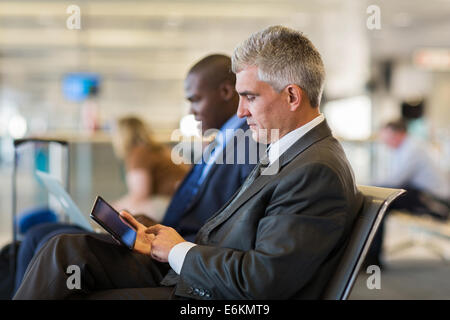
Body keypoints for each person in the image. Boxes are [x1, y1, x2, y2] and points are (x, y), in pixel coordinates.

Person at [14, 26, 363, 300]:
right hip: (203, 273)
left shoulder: (314, 169)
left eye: (250, 97)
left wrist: (179, 250)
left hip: (215, 292)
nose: (241, 112)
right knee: (66, 250)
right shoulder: (290, 152)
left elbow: (262, 281)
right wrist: (166, 242)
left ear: (291, 96)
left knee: (72, 271)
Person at [12, 54, 257, 297]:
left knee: (61, 248)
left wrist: (173, 243)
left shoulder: (248, 142)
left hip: (184, 257)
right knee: (38, 241)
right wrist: (151, 226)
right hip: (170, 241)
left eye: (196, 100)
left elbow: (234, 226)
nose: (192, 111)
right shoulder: (221, 143)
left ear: (226, 92)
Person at [364, 119, 449, 268]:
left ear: (398, 134)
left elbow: (396, 180)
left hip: (437, 202)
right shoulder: (404, 149)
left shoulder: (412, 149)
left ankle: (373, 260)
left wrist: (369, 186)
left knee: (383, 204)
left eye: (387, 138)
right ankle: (371, 257)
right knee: (382, 202)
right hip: (423, 195)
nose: (385, 142)